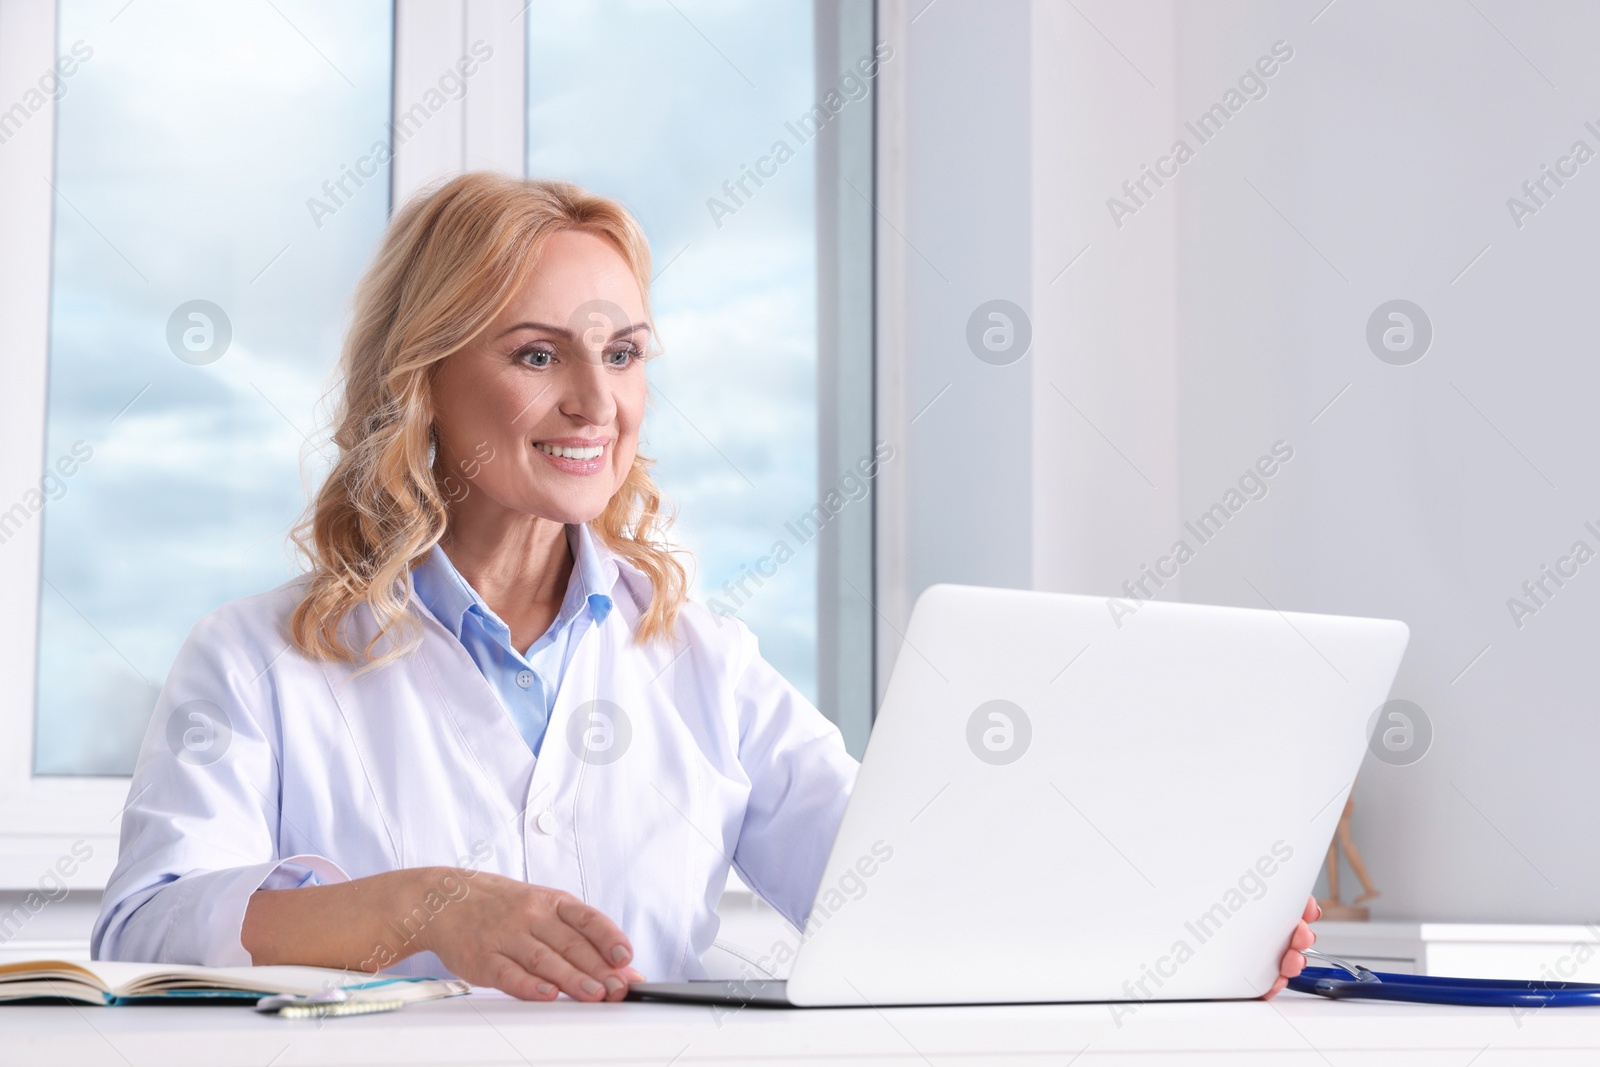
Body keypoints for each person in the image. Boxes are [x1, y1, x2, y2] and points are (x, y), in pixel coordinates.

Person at [92, 172, 1316, 1002]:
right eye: (537, 353)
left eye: (621, 354)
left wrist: (1172, 928)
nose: (596, 402)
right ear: (421, 379)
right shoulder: (257, 655)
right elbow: (148, 929)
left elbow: (897, 885)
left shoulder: (700, 658)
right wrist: (429, 906)